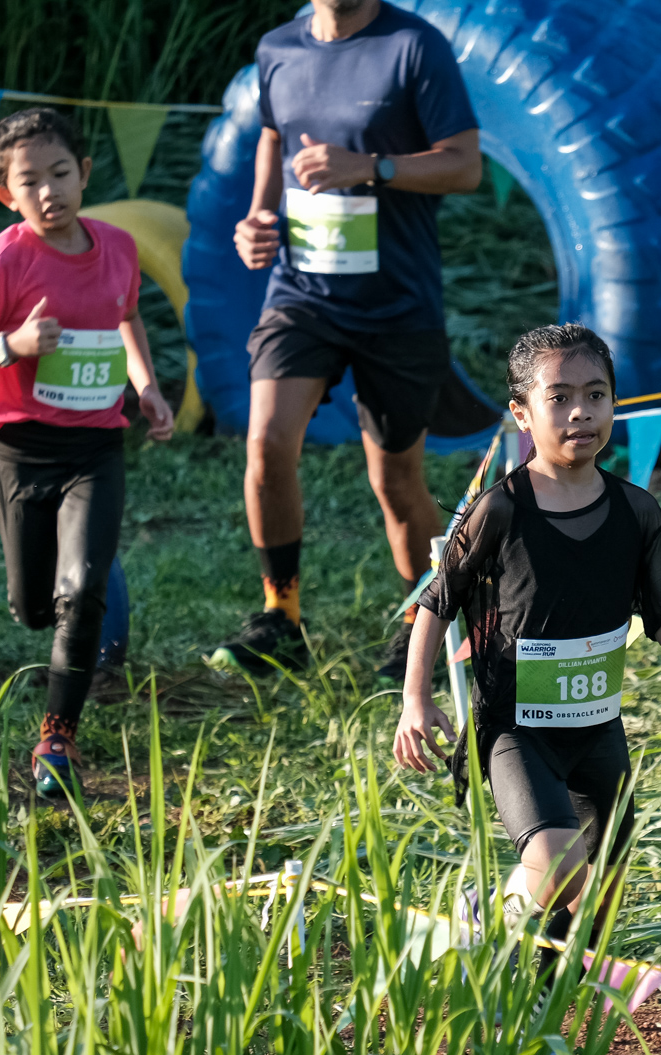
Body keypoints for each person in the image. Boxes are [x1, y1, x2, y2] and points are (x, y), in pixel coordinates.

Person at [392, 324, 661, 953]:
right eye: (560, 397)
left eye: (596, 394)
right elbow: (437, 603)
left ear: (614, 404)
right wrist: (416, 699)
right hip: (516, 728)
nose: (581, 411)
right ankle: (487, 912)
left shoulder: (637, 513)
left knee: (597, 899)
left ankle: (551, 997)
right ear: (522, 413)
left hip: (599, 730)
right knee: (557, 865)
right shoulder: (499, 509)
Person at [206, 0, 483, 680]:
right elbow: (273, 135)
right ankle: (280, 618)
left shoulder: (414, 46)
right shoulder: (278, 48)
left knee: (395, 479)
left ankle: (423, 625)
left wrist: (371, 167)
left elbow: (465, 166)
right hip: (302, 295)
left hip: (398, 304)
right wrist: (259, 215)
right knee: (267, 443)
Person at [0, 108, 174, 797]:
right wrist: (10, 346)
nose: (49, 192)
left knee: (81, 590)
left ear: (85, 173)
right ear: (5, 195)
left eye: (61, 173)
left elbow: (127, 316)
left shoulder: (118, 248)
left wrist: (147, 387)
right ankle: (48, 615)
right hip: (20, 450)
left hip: (96, 447)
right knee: (34, 608)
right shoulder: (3, 261)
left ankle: (57, 739)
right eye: (30, 182)